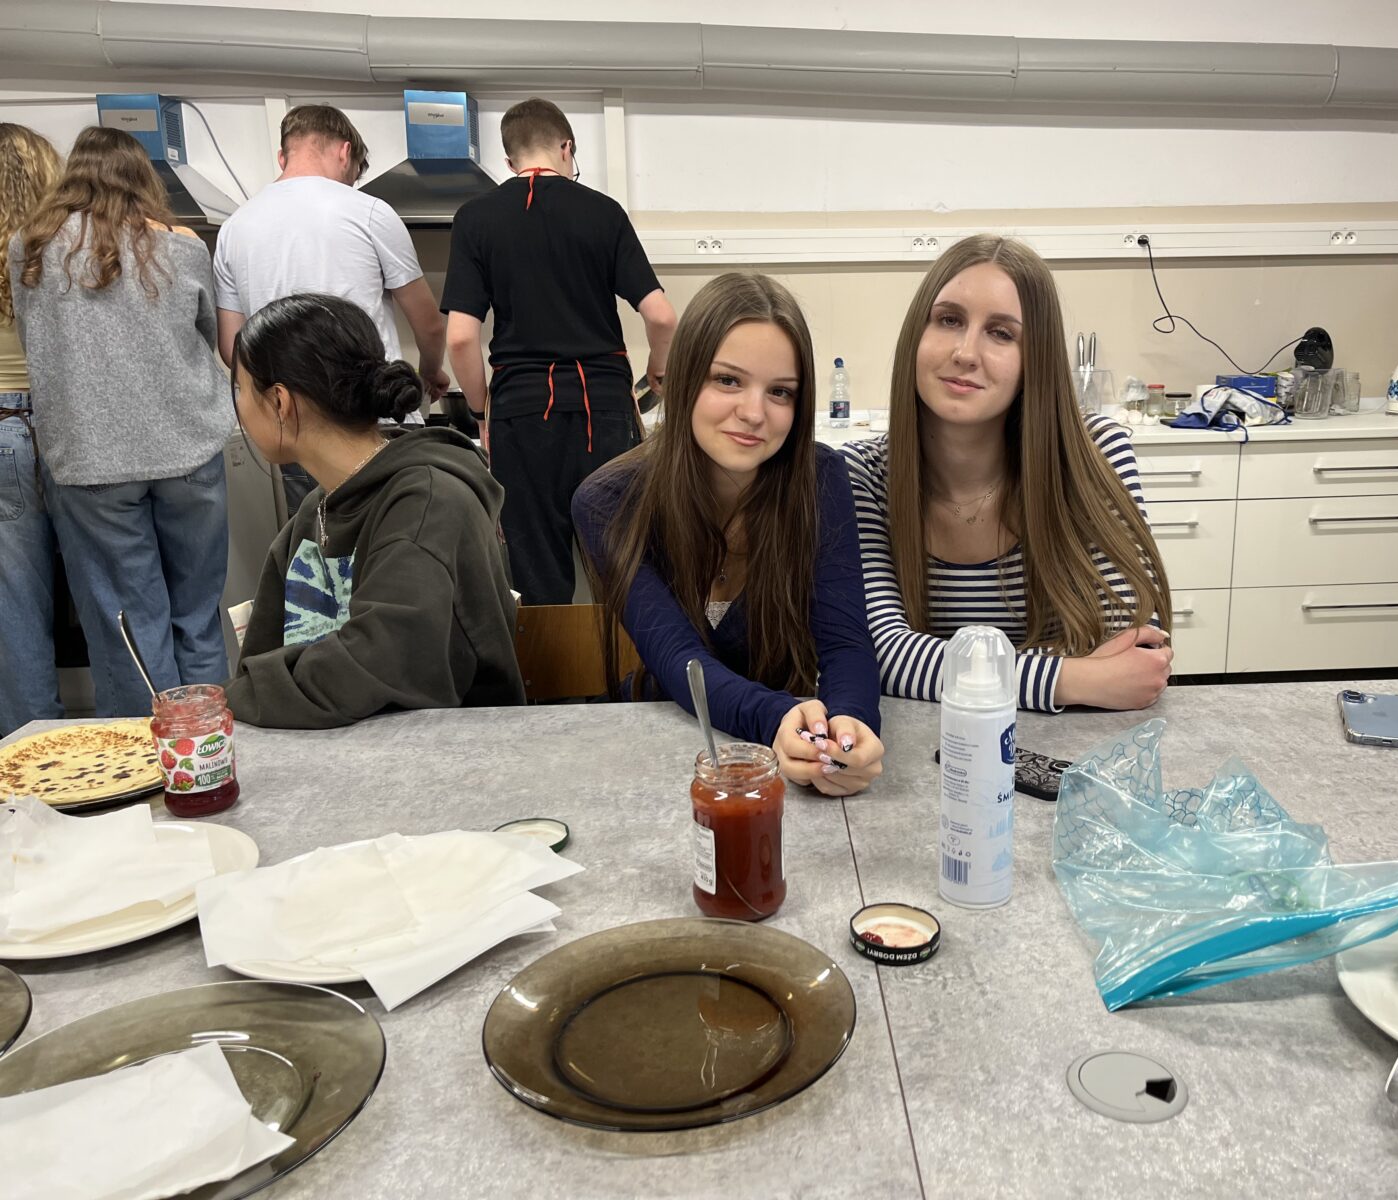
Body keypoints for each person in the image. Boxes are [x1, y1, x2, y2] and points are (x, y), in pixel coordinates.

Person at [574, 273, 883, 796]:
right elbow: (679, 659)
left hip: (785, 761)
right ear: (684, 378)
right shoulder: (609, 501)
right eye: (728, 380)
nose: (754, 413)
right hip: (662, 753)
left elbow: (846, 641)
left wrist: (849, 727)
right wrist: (777, 719)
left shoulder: (820, 478)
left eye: (780, 391)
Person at [842, 235, 1173, 713]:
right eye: (949, 320)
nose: (965, 352)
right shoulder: (863, 475)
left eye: (1001, 333)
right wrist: (1071, 677)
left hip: (1075, 745)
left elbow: (1135, 651)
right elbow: (879, 654)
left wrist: (939, 668)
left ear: (1035, 358)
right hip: (925, 746)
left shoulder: (1093, 454)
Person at [9, 125, 233, 719]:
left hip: (92, 460)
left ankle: (147, 759)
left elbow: (36, 344)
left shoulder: (31, 246)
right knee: (197, 613)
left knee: (128, 625)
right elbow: (207, 336)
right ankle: (212, 745)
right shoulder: (183, 245)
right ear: (143, 177)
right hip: (189, 449)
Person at [225, 293, 524, 729]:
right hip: (338, 753)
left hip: (449, 755)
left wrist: (227, 700)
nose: (238, 404)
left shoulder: (428, 503)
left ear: (279, 402)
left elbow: (381, 665)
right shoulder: (314, 512)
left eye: (240, 388)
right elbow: (259, 666)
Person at [442, 96, 677, 603]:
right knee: (622, 573)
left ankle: (552, 660)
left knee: (539, 584)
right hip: (604, 409)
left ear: (510, 161)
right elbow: (662, 316)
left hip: (522, 416)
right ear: (567, 147)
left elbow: (460, 337)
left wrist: (482, 414)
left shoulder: (475, 218)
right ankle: (624, 659)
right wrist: (657, 369)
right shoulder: (604, 212)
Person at [212, 104, 449, 516]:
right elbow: (428, 324)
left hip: (294, 428)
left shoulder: (235, 228)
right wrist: (430, 372)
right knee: (400, 536)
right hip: (374, 421)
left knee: (319, 543)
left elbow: (233, 348)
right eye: (355, 172)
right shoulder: (369, 211)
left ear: (283, 156)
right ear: (345, 152)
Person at [0, 123, 63, 737]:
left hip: (1, 426)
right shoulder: (62, 250)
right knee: (110, 587)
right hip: (66, 423)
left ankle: (35, 751)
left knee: (17, 601)